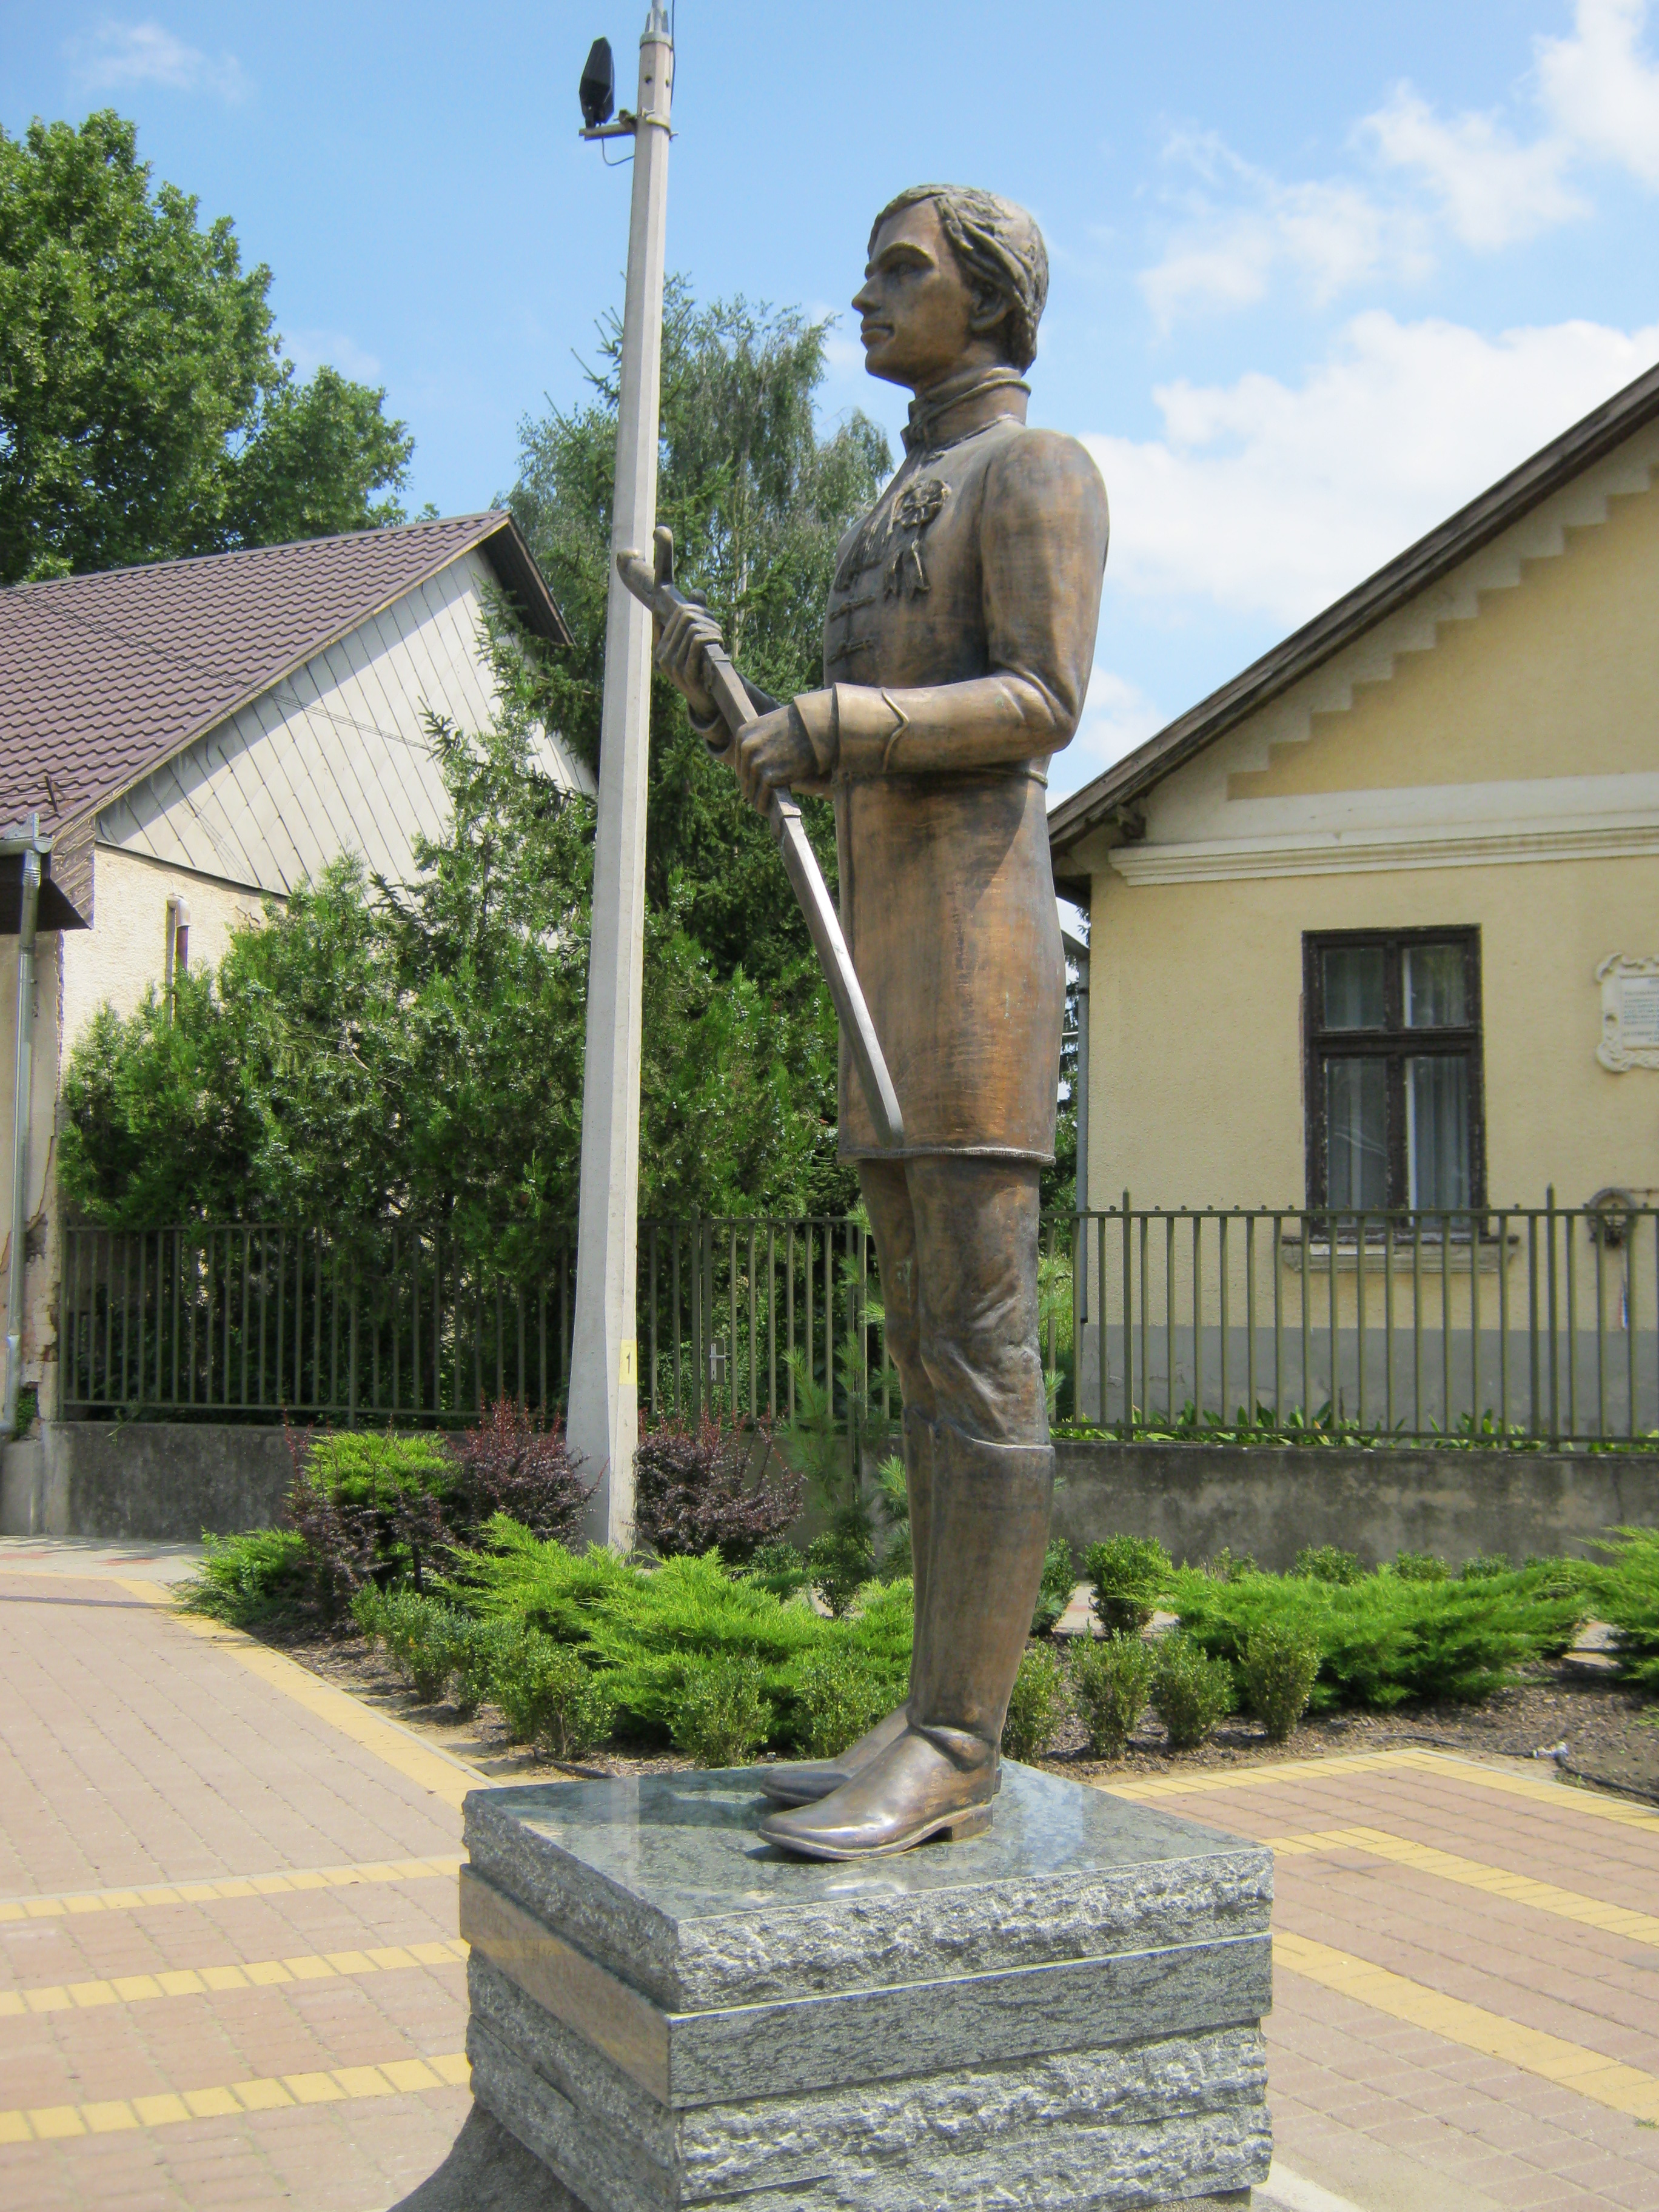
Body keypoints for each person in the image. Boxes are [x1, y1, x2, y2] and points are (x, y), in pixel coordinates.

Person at [655, 183, 1109, 1858]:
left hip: (978, 959)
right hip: (883, 954)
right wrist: (752, 718)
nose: (864, 294)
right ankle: (928, 1707)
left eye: (899, 270)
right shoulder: (890, 499)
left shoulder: (1035, 470)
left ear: (987, 299)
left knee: (979, 1347)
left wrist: (839, 721)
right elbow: (858, 733)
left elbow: (1043, 700)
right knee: (921, 1345)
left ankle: (962, 1739)